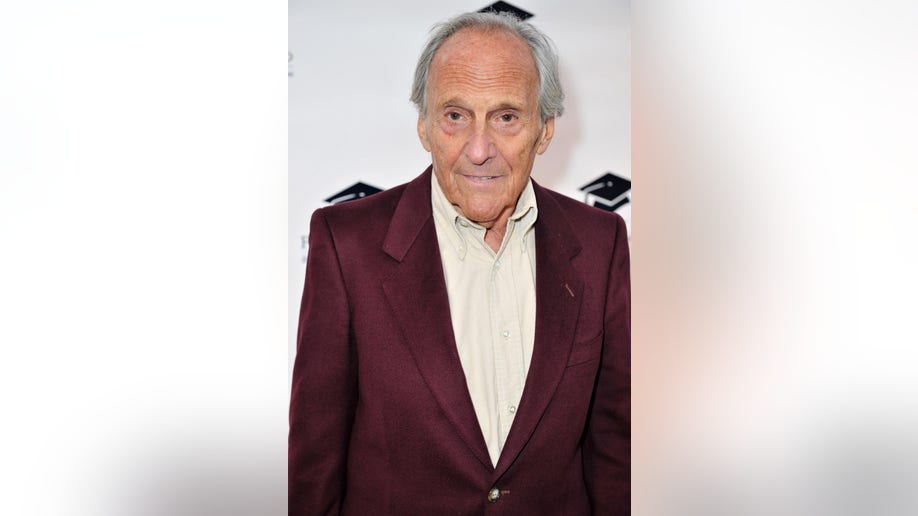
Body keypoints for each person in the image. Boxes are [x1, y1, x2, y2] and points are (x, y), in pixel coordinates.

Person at [289, 11, 629, 515]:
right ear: (424, 126)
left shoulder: (601, 243)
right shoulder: (347, 245)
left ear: (545, 129)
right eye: (455, 116)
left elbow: (616, 448)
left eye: (506, 117)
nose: (478, 149)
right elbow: (315, 459)